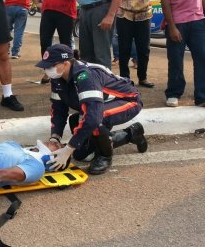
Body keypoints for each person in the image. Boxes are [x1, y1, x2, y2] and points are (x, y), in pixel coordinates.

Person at [35, 44, 147, 175]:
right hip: (101, 105)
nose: (47, 70)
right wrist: (55, 138)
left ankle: (105, 156)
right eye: (45, 66)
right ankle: (132, 134)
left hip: (128, 100)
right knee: (80, 153)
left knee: (96, 121)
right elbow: (58, 109)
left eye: (50, 66)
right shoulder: (58, 79)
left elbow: (93, 117)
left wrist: (68, 149)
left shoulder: (86, 76)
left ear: (65, 64)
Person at [116, 0, 158, 88]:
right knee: (124, 48)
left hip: (144, 16)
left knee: (144, 48)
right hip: (124, 15)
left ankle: (143, 78)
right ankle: (124, 78)